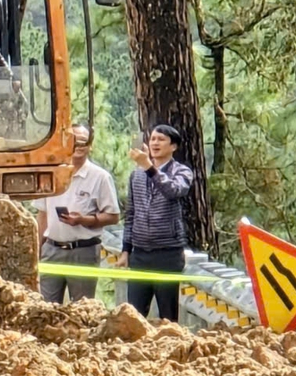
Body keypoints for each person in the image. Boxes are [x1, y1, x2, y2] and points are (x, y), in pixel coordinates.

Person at [35, 123, 121, 303]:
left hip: (83, 251)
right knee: (45, 306)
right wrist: (37, 249)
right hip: (52, 250)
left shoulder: (100, 177)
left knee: (82, 307)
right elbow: (42, 214)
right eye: (74, 141)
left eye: (83, 142)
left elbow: (113, 216)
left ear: (90, 146)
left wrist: (84, 220)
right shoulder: (52, 173)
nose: (78, 147)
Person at [121, 123, 194, 323]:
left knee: (168, 317)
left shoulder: (182, 172)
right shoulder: (136, 175)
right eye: (152, 138)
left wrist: (149, 167)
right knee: (133, 316)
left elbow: (173, 191)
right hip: (140, 254)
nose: (155, 143)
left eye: (161, 139)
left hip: (168, 255)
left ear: (173, 146)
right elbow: (131, 213)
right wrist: (126, 249)